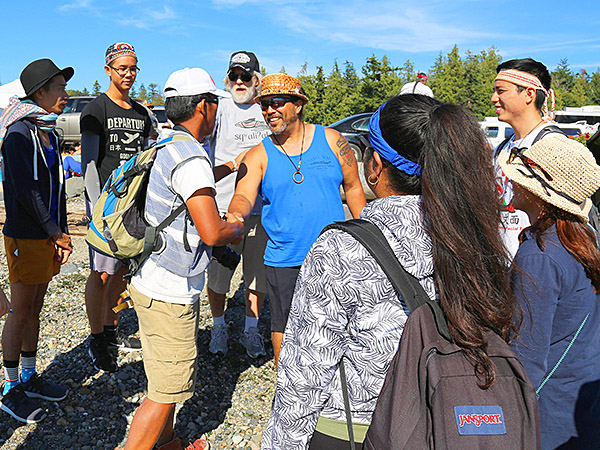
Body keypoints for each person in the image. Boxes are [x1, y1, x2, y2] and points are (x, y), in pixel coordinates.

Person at [262, 94, 516, 449]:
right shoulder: (476, 234)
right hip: (446, 417)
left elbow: (305, 373)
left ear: (375, 164)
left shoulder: (341, 248)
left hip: (358, 429)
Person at [116, 67, 243, 450]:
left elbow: (188, 185)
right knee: (165, 391)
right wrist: (234, 224)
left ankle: (168, 441)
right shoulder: (191, 156)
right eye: (215, 103)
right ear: (203, 106)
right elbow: (211, 232)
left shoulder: (166, 143)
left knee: (164, 377)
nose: (218, 111)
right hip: (169, 290)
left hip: (150, 276)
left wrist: (231, 166)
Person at [229, 73, 366, 366]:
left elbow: (353, 186)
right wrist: (235, 213)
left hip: (332, 255)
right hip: (284, 258)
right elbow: (243, 195)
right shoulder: (258, 154)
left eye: (277, 103)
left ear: (298, 105)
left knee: (335, 325)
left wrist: (368, 230)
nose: (269, 111)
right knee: (284, 326)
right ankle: (287, 391)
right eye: (264, 105)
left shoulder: (332, 140)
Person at [499, 135, 600, 450]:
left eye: (521, 178)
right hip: (582, 410)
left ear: (539, 196)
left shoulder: (540, 255)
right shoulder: (584, 239)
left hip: (548, 420)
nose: (513, 182)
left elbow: (526, 358)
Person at [0, 58, 74, 423]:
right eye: (59, 88)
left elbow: (55, 188)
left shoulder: (48, 131)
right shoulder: (17, 133)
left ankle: (29, 376)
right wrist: (54, 230)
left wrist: (59, 229)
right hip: (26, 235)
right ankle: (9, 386)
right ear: (39, 92)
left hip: (45, 235)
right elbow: (27, 192)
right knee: (20, 309)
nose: (65, 94)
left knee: (36, 306)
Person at [80, 42, 153, 373]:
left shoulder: (141, 113)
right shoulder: (96, 109)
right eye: (122, 68)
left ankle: (111, 329)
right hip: (106, 206)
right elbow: (90, 164)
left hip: (133, 206)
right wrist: (97, 210)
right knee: (101, 271)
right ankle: (97, 337)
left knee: (122, 270)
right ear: (108, 69)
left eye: (133, 68)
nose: (128, 74)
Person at [206, 51, 271, 358]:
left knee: (256, 275)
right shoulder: (218, 108)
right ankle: (218, 326)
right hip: (222, 209)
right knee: (218, 275)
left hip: (262, 210)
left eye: (246, 76)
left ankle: (251, 331)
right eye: (235, 76)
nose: (240, 82)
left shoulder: (269, 108)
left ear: (257, 78)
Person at [491, 58, 560, 258]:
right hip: (505, 268)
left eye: (501, 91)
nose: (494, 98)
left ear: (529, 94)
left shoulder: (552, 145)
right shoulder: (503, 148)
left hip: (540, 267)